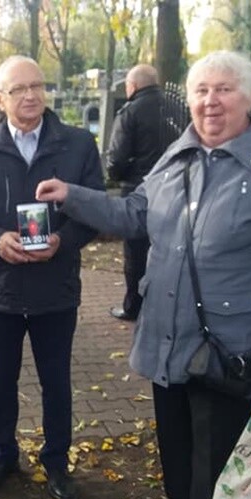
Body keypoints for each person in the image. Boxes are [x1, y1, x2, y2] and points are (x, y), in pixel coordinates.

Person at [34, 51, 251, 499]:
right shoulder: (177, 154)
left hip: (232, 343)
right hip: (168, 330)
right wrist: (71, 195)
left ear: (249, 98)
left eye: (224, 89)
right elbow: (134, 213)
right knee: (178, 439)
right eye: (201, 90)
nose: (211, 101)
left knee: (217, 447)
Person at [0, 55, 103, 499]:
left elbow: (94, 210)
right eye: (18, 89)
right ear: (0, 99)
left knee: (56, 381)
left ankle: (57, 463)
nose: (31, 95)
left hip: (56, 287)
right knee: (2, 380)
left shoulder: (77, 145)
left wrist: (64, 240)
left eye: (37, 86)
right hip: (0, 288)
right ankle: (3, 455)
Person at [105, 64, 165, 322]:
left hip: (138, 188)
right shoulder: (175, 106)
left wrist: (116, 175)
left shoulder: (131, 112)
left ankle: (134, 306)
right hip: (173, 188)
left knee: (136, 253)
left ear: (133, 86)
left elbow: (116, 159)